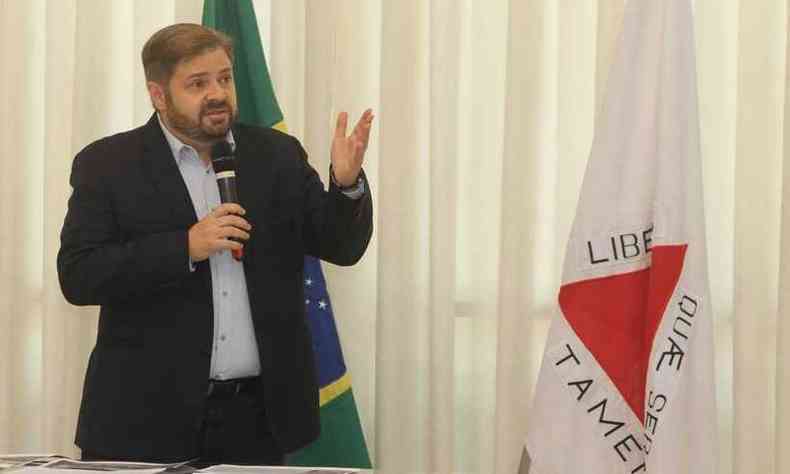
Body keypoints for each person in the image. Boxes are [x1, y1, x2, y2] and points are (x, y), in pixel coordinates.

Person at [57, 23, 373, 466]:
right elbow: (79, 274)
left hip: (257, 418)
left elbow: (341, 245)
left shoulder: (276, 155)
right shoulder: (107, 165)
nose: (217, 93)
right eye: (198, 83)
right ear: (158, 94)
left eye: (224, 78)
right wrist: (185, 246)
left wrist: (346, 184)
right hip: (143, 419)